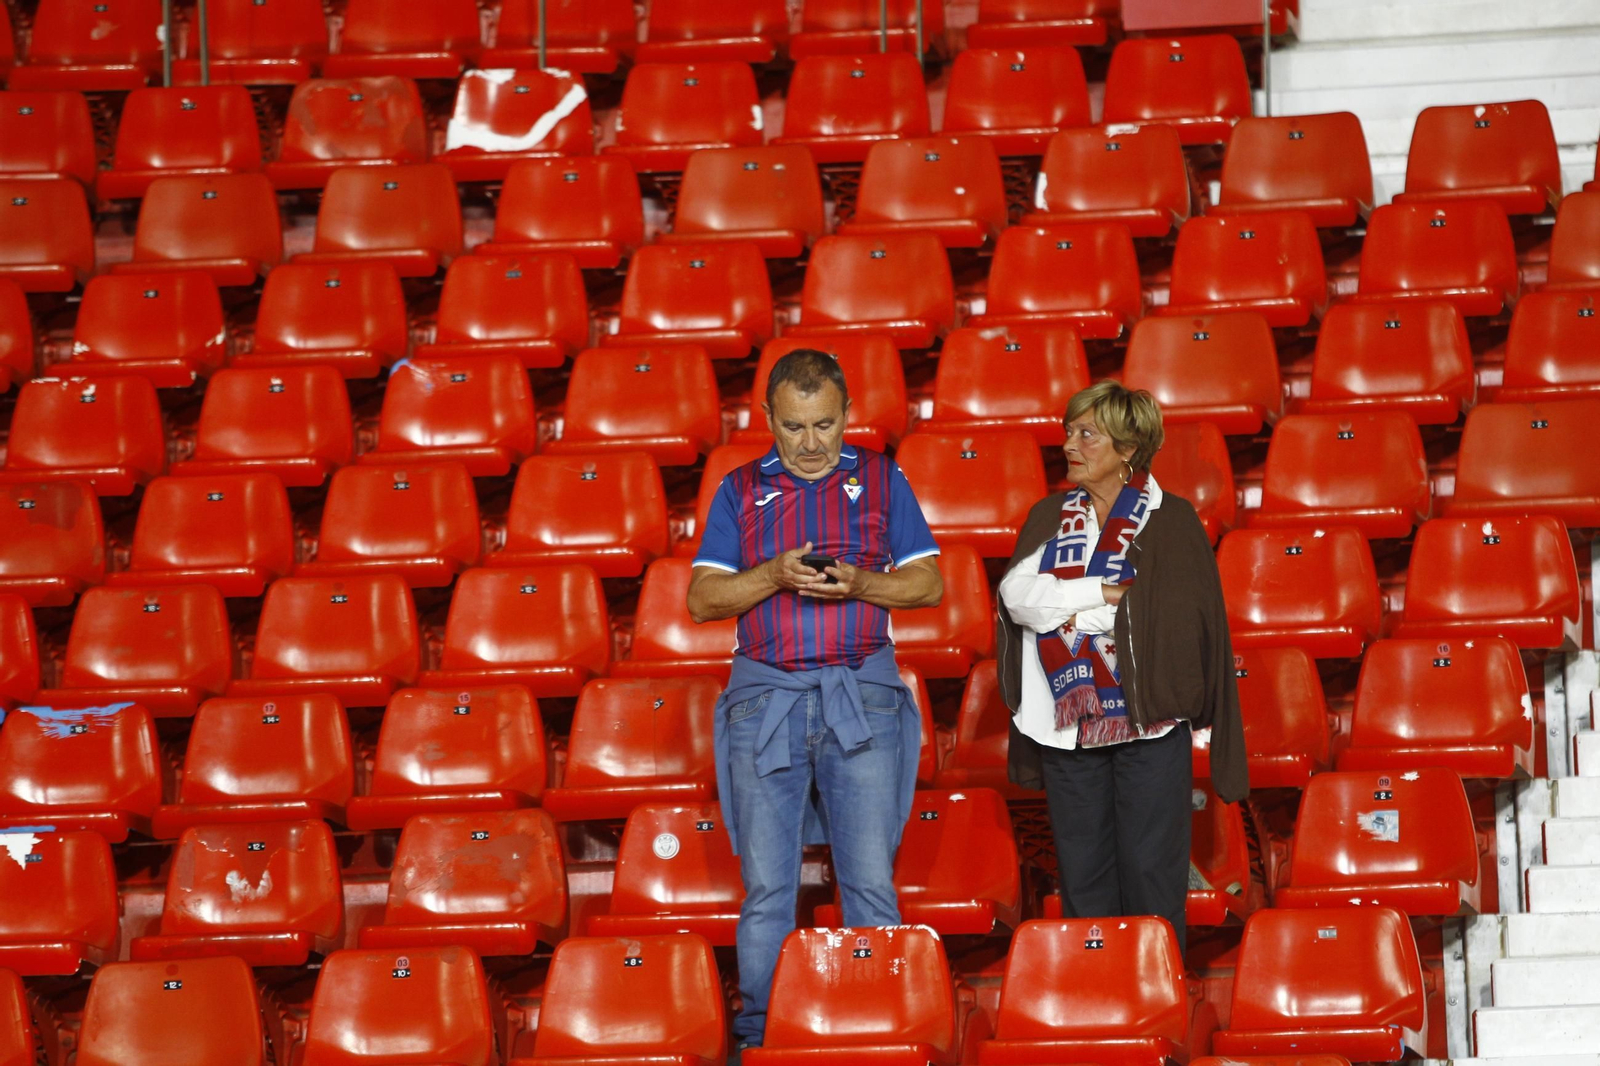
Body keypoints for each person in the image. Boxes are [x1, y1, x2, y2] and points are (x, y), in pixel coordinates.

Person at [686, 349, 942, 1059]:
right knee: (767, 887)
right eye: (794, 427)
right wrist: (771, 574)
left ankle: (879, 1027)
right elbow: (703, 599)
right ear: (768, 418)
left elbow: (929, 585)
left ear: (847, 415)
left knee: (868, 881)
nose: (809, 443)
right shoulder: (739, 489)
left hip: (861, 693)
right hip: (764, 696)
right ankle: (763, 1039)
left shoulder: (883, 479)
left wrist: (859, 583)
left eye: (824, 425)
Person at [997, 380, 1247, 955]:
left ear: (1128, 449)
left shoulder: (1173, 521)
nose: (1069, 445)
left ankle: (1154, 1007)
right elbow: (1017, 598)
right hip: (1066, 731)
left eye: (1087, 434)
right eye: (1069, 432)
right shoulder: (1050, 514)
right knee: (1083, 884)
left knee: (1153, 883)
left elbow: (1172, 618)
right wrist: (1098, 596)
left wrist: (1076, 613)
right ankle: (1098, 1007)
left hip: (1150, 726)